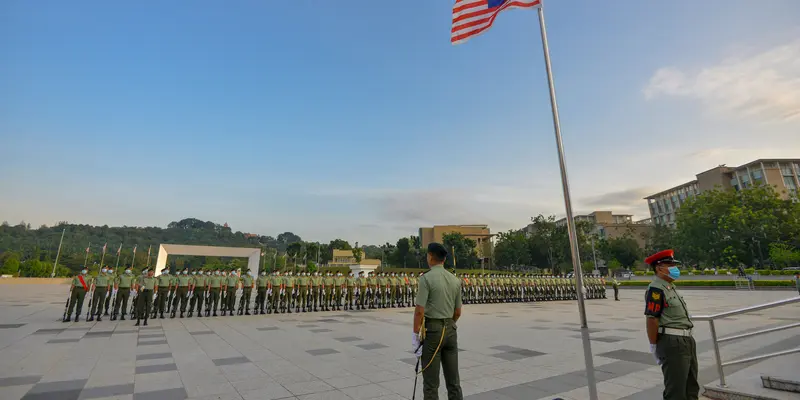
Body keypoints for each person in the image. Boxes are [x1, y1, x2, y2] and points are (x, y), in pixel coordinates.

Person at [644, 249, 698, 400]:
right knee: (676, 390)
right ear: (659, 267)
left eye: (674, 264)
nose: (675, 268)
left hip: (686, 340)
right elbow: (652, 319)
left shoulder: (670, 287)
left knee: (691, 386)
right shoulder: (656, 289)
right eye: (670, 265)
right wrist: (653, 344)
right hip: (672, 342)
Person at [413, 243, 463, 400]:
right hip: (450, 329)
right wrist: (448, 323)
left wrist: (415, 334)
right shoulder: (455, 280)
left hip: (433, 331)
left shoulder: (426, 279)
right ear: (444, 259)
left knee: (431, 383)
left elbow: (420, 311)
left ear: (430, 256)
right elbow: (458, 312)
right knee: (453, 381)